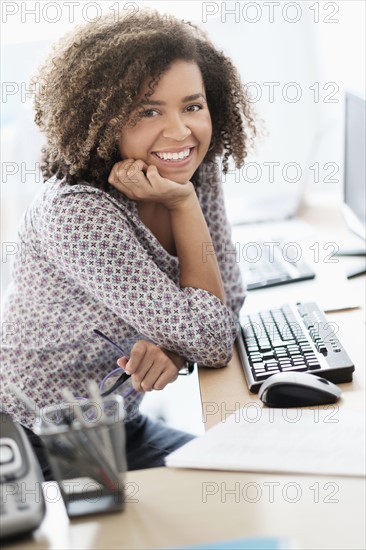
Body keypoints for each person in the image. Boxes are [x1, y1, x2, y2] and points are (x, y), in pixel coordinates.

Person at [0, 9, 256, 477]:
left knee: (239, 482)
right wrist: (182, 206)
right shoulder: (78, 213)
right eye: (148, 111)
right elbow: (214, 336)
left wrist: (176, 349)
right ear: (100, 121)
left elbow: (227, 303)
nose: (180, 132)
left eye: (192, 106)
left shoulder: (189, 170)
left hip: (118, 426)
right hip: (31, 442)